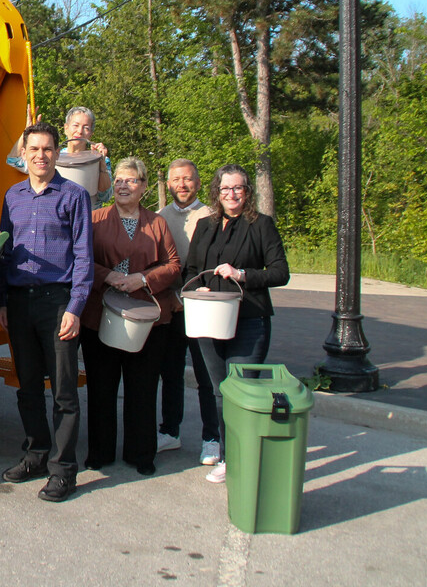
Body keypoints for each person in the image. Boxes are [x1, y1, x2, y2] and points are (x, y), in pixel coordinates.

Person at [0, 121, 93, 502]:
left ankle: (63, 469)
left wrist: (75, 306)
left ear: (57, 153)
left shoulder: (74, 196)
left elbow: (84, 255)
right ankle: (36, 453)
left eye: (47, 149)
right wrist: (3, 299)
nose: (40, 155)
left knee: (64, 392)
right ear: (23, 153)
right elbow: (5, 252)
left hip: (58, 302)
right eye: (33, 149)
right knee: (28, 386)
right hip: (20, 302)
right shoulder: (12, 196)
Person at [183, 164, 290, 484]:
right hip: (210, 319)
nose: (231, 194)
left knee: (242, 390)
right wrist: (195, 286)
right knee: (220, 391)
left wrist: (243, 275)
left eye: (238, 188)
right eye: (225, 188)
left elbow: (281, 272)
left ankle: (244, 456)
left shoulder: (262, 225)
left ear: (248, 192)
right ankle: (229, 457)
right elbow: (189, 270)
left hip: (249, 320)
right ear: (216, 192)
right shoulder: (205, 225)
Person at [80, 157, 181, 476]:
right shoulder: (94, 219)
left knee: (142, 387)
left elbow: (174, 265)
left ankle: (141, 453)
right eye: (119, 180)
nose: (123, 185)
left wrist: (143, 279)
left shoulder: (158, 223)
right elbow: (79, 259)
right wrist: (106, 275)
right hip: (101, 315)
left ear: (144, 187)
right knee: (101, 387)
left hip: (147, 318)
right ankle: (100, 451)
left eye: (131, 180)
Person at [156, 159, 221, 467]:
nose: (181, 185)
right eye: (176, 180)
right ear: (168, 184)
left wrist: (192, 294)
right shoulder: (160, 217)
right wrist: (171, 294)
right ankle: (170, 430)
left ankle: (212, 438)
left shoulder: (211, 216)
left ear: (197, 182)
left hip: (201, 306)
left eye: (187, 179)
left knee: (206, 375)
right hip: (171, 305)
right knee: (170, 372)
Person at [7, 106, 112, 205]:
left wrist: (101, 162)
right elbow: (13, 160)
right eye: (75, 125)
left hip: (90, 218)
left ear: (91, 133)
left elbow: (105, 196)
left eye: (86, 128)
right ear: (66, 128)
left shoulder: (98, 159)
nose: (79, 131)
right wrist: (27, 132)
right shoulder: (51, 157)